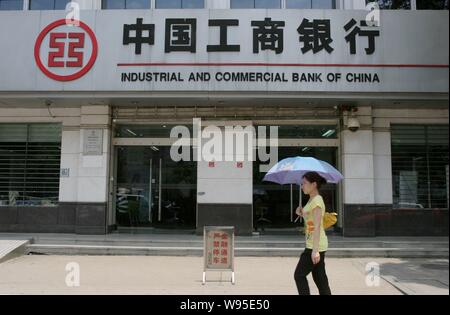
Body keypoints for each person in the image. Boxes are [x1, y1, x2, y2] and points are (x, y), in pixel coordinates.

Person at [294, 171, 331, 295]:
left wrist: (315, 251)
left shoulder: (317, 201)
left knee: (299, 275)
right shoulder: (311, 200)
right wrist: (301, 212)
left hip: (315, 245)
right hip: (315, 243)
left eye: (304, 183)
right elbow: (309, 218)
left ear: (314, 184)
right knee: (320, 278)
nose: (302, 186)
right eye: (302, 183)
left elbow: (316, 226)